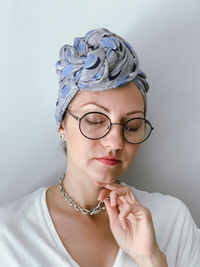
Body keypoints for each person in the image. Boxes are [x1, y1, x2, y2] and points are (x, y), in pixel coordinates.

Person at [0, 28, 199, 267]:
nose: (115, 142)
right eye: (95, 120)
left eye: (132, 126)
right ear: (63, 124)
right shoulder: (8, 235)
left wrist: (150, 259)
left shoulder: (172, 220)